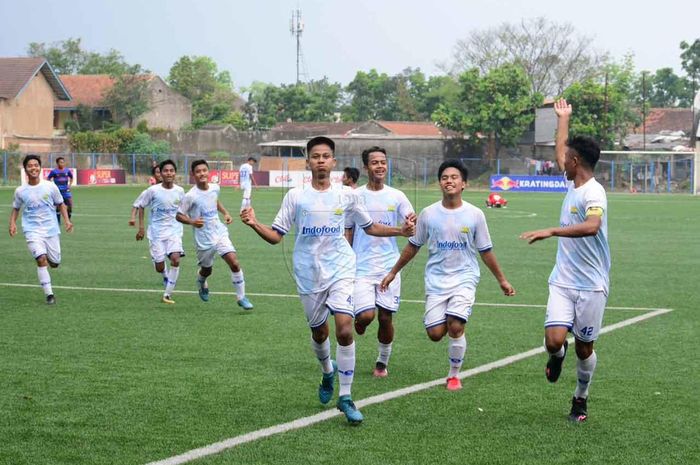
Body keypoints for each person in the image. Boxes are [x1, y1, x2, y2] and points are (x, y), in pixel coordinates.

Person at [240, 136, 414, 425]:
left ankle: (345, 397)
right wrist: (254, 223)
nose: (321, 160)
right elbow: (276, 237)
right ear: (308, 162)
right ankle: (327, 372)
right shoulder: (295, 196)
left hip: (342, 270)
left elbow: (369, 227)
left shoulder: (347, 195)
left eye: (326, 156)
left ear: (333, 162)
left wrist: (400, 231)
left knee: (345, 330)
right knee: (320, 334)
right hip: (308, 273)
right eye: (315, 156)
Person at [380, 159, 515, 391]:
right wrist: (393, 272)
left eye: (454, 177)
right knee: (435, 334)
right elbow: (413, 245)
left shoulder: (475, 215)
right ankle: (447, 327)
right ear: (440, 183)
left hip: (465, 278)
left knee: (455, 326)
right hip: (436, 280)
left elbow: (485, 251)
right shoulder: (429, 214)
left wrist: (502, 280)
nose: (449, 181)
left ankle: (453, 375)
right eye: (444, 178)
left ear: (464, 184)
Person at [520, 98, 610, 423]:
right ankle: (557, 357)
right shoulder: (573, 182)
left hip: (592, 285)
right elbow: (562, 149)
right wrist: (563, 119)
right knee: (554, 340)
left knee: (585, 348)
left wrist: (552, 231)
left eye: (566, 160)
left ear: (576, 161)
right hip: (563, 281)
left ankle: (580, 398)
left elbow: (592, 225)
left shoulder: (594, 194)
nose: (561, 163)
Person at [345, 146, 415, 378]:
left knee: (386, 317)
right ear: (366, 167)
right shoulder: (355, 197)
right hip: (361, 266)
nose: (380, 166)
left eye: (383, 162)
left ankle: (381, 363)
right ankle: (361, 322)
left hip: (388, 266)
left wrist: (411, 223)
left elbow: (410, 220)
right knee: (366, 316)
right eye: (374, 162)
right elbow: (348, 231)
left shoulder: (397, 196)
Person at [176, 159, 254, 310]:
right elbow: (179, 215)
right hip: (203, 238)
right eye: (198, 171)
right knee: (207, 270)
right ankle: (201, 280)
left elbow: (215, 201)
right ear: (193, 175)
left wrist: (225, 213)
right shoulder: (190, 196)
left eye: (204, 170)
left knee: (234, 262)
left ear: (208, 171)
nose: (202, 173)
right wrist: (192, 221)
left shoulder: (215, 188)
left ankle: (241, 297)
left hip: (219, 232)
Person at [9, 155, 74, 305]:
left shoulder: (50, 187)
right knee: (40, 259)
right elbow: (15, 208)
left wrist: (67, 221)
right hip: (32, 230)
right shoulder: (20, 191)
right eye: (30, 166)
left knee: (55, 263)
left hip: (51, 229)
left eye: (36, 165)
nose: (33, 168)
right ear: (25, 169)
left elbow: (61, 204)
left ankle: (51, 261)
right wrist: (12, 224)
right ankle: (49, 294)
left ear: (40, 168)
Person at [133, 159, 186, 304]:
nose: (169, 173)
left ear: (175, 173)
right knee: (159, 266)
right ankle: (164, 274)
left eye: (171, 170)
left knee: (175, 258)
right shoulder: (153, 190)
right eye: (165, 171)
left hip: (174, 231)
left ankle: (167, 295)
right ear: (161, 174)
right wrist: (141, 228)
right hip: (156, 233)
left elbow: (184, 209)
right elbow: (141, 206)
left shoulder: (180, 191)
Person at [47, 156, 74, 224]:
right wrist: (52, 186)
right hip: (58, 191)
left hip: (66, 191)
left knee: (70, 205)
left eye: (63, 162)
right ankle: (58, 221)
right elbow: (48, 179)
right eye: (61, 162)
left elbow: (71, 177)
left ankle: (68, 219)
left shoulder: (67, 170)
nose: (62, 163)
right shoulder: (54, 171)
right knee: (58, 206)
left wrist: (69, 185)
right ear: (57, 163)